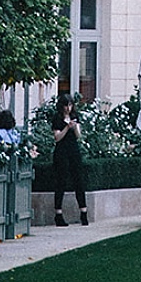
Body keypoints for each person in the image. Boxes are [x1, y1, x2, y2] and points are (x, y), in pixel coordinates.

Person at [52, 94, 88, 227]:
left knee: (78, 179)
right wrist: (67, 128)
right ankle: (58, 214)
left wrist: (75, 127)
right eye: (66, 105)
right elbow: (57, 137)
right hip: (62, 151)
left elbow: (78, 136)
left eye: (70, 105)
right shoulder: (57, 118)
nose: (68, 108)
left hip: (73, 150)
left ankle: (83, 212)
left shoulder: (75, 116)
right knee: (61, 181)